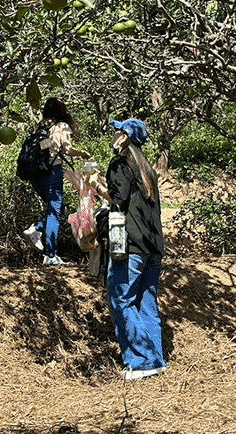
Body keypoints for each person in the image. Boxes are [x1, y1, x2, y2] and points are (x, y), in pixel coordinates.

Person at [93, 117, 167, 380]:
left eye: (116, 131)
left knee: (121, 299)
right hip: (152, 246)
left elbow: (118, 199)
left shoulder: (121, 162)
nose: (112, 135)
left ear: (123, 137)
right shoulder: (146, 167)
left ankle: (141, 361)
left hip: (131, 245)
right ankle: (155, 359)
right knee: (146, 301)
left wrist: (97, 186)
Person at [22, 97, 93, 266]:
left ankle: (38, 231)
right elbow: (67, 149)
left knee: (56, 209)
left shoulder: (41, 126)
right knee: (55, 212)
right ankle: (50, 254)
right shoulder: (61, 126)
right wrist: (82, 153)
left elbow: (44, 147)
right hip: (52, 172)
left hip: (36, 173)